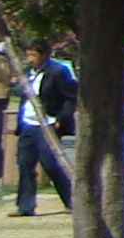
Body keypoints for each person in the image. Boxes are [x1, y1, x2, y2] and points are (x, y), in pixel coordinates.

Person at [11, 40, 76, 216]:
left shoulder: (57, 72)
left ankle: (72, 200)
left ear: (44, 55)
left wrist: (61, 119)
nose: (30, 59)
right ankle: (25, 206)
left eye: (34, 55)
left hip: (47, 124)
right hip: (28, 124)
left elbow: (71, 97)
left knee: (50, 163)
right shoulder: (27, 74)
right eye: (28, 55)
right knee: (25, 164)